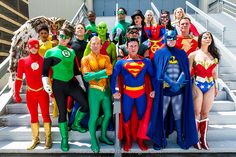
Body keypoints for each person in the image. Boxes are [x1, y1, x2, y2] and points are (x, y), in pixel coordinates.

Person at [147, 30, 198, 150]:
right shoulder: (159, 53)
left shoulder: (181, 53)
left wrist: (178, 83)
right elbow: (159, 72)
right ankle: (161, 139)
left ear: (176, 38)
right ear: (165, 38)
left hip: (178, 90)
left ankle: (180, 138)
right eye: (169, 38)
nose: (171, 40)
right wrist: (172, 83)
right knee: (162, 114)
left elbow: (185, 70)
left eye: (173, 38)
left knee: (178, 114)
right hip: (165, 89)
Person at [42, 25, 89, 151]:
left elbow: (75, 70)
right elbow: (45, 72)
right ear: (58, 36)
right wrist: (46, 84)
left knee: (85, 104)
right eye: (61, 36)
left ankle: (75, 123)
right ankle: (64, 139)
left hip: (71, 83)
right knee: (62, 112)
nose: (63, 39)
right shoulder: (50, 52)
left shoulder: (72, 51)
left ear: (69, 39)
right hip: (58, 85)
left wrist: (82, 84)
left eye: (66, 37)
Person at [110, 38, 155, 152]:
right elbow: (113, 77)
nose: (133, 48)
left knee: (141, 117)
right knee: (126, 117)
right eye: (131, 46)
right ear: (127, 47)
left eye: (135, 46)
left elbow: (153, 76)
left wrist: (154, 89)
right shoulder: (121, 62)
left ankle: (140, 140)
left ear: (138, 47)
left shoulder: (146, 62)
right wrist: (114, 92)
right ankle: (128, 140)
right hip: (127, 95)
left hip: (141, 94)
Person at [14, 38, 52, 150]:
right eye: (31, 46)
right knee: (33, 115)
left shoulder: (45, 60)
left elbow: (50, 76)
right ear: (27, 47)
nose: (34, 48)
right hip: (30, 92)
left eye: (36, 46)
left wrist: (52, 91)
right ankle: (35, 138)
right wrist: (16, 92)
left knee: (45, 114)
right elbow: (19, 77)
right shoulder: (23, 61)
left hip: (42, 92)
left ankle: (48, 137)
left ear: (39, 46)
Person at [81, 36, 114, 153]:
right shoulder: (85, 59)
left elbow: (110, 71)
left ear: (101, 45)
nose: (95, 45)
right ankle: (93, 140)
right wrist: (103, 73)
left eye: (97, 43)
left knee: (109, 114)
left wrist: (95, 74)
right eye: (93, 43)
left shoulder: (106, 57)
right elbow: (86, 76)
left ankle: (103, 135)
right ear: (90, 45)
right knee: (94, 116)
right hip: (93, 91)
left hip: (105, 90)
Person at [188, 32, 220, 150]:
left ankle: (203, 139)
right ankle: (194, 139)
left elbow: (215, 73)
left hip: (210, 84)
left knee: (205, 113)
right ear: (200, 39)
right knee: (197, 112)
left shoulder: (214, 55)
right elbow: (188, 72)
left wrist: (216, 86)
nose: (208, 39)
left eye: (210, 37)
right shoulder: (193, 54)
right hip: (197, 84)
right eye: (205, 37)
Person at [37, 24, 59, 118]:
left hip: (51, 69)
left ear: (48, 33)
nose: (43, 35)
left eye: (45, 33)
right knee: (41, 89)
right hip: (39, 69)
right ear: (39, 34)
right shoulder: (36, 44)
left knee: (53, 88)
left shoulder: (52, 43)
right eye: (41, 33)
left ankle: (55, 109)